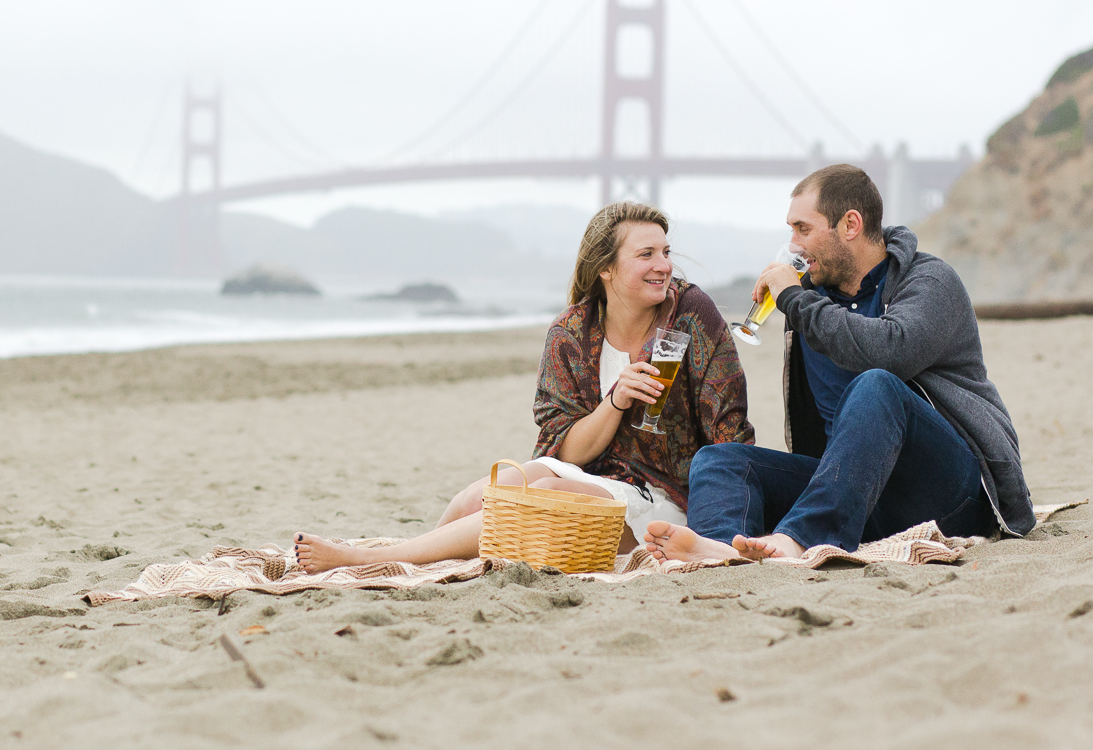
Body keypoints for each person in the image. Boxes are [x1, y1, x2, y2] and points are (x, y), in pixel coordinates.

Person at [294, 202, 755, 574]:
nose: (664, 266)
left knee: (533, 499)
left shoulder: (690, 313)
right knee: (479, 496)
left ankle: (372, 559)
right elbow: (563, 453)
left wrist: (717, 527)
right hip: (593, 477)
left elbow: (728, 430)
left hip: (666, 497)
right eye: (646, 255)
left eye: (666, 252)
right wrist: (616, 400)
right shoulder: (571, 333)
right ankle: (415, 562)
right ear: (606, 270)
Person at [643, 164, 1034, 565]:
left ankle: (799, 540)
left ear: (850, 224)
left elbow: (889, 351)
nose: (793, 245)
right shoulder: (813, 297)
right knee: (719, 459)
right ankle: (723, 550)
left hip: (952, 494)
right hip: (856, 494)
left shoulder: (930, 281)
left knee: (875, 385)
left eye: (803, 229)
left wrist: (795, 298)